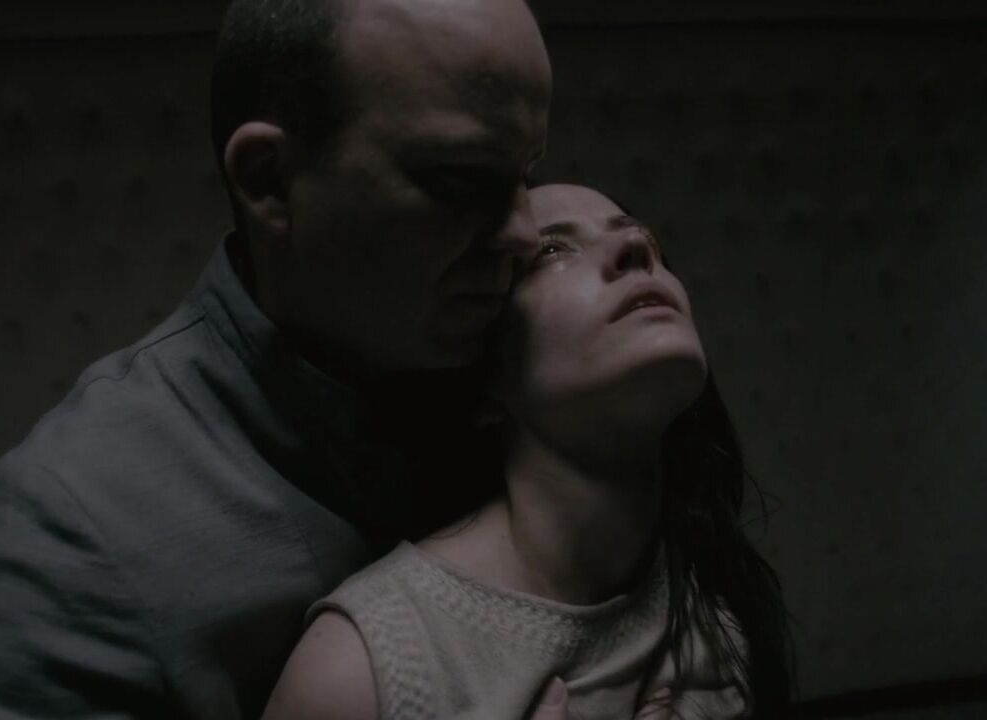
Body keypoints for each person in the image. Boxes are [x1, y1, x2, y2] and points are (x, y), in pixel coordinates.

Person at [0, 0, 550, 717]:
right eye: (462, 180)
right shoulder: (77, 536)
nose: (524, 233)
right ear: (268, 180)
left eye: (527, 174)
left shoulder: (541, 379)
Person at [261, 183, 794, 720]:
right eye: (553, 250)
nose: (636, 247)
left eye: (644, 237)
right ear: (483, 382)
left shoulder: (716, 609)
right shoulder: (362, 669)